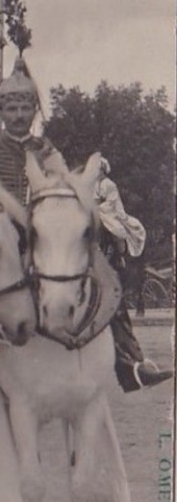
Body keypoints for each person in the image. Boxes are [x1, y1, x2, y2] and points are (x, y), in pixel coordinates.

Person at [0, 57, 170, 405]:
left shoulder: (48, 152)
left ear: (34, 110)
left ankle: (131, 362)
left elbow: (67, 194)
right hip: (1, 240)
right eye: (12, 108)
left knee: (102, 271)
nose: (19, 115)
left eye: (25, 107)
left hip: (47, 238)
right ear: (0, 112)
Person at [93, 157, 169, 391]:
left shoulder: (108, 185)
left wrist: (96, 207)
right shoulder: (88, 187)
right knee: (112, 309)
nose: (96, 172)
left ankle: (119, 254)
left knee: (114, 227)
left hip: (106, 214)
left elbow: (111, 206)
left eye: (98, 169)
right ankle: (132, 368)